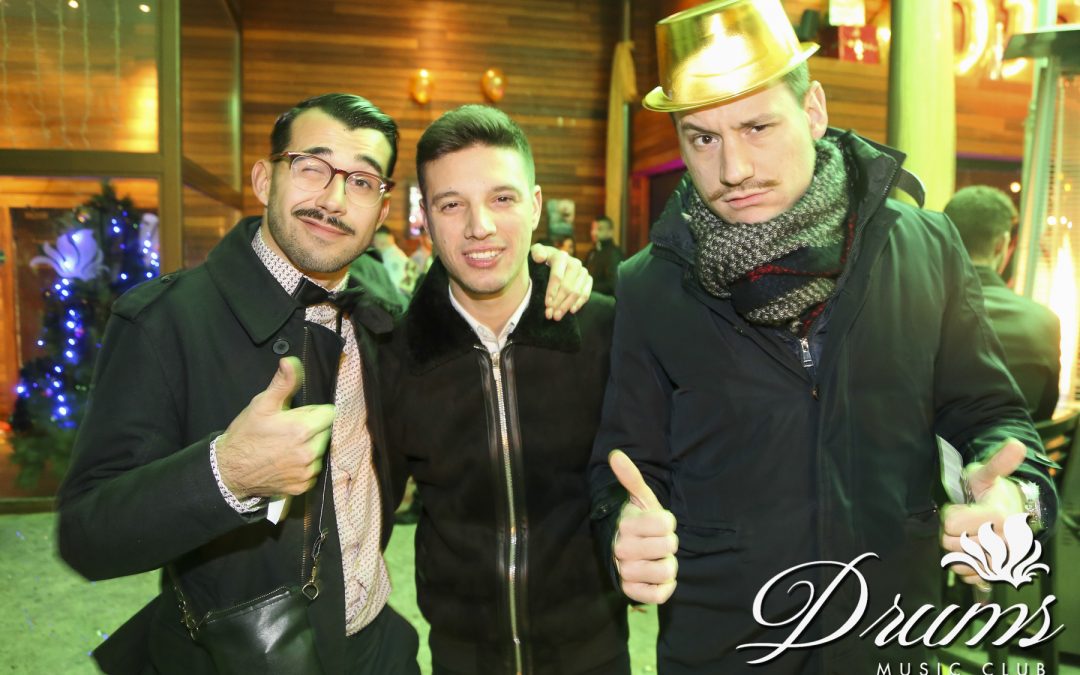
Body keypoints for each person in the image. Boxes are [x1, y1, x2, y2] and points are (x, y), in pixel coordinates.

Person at [587, 2, 1058, 674]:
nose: (734, 168)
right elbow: (625, 465)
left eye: (757, 127)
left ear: (813, 110)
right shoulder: (649, 287)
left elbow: (992, 415)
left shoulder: (923, 248)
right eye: (703, 139)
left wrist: (1012, 494)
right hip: (728, 648)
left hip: (891, 635)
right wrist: (620, 529)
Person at [56, 92, 592, 675]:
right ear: (265, 179)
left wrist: (542, 267)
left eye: (361, 181)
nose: (334, 200)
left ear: (381, 211)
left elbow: (473, 276)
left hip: (378, 649)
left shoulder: (382, 311)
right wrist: (226, 473)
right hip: (245, 659)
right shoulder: (166, 322)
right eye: (312, 167)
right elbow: (86, 537)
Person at [379, 105, 626, 675]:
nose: (479, 226)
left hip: (594, 652)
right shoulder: (398, 356)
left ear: (535, 205)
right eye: (451, 204)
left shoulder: (606, 332)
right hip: (462, 657)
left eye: (502, 198)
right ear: (426, 218)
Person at [945, 185, 1062, 421]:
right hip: (1020, 444)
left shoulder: (915, 310)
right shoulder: (1044, 320)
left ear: (944, 238)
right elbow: (1045, 412)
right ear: (1001, 243)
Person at [373, 224, 417, 297]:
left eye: (372, 240)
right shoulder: (399, 255)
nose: (372, 244)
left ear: (378, 239)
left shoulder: (391, 260)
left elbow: (393, 292)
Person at [584, 216, 623, 296]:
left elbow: (612, 284)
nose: (594, 233)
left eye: (599, 229)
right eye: (593, 229)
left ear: (610, 232)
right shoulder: (593, 251)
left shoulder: (613, 253)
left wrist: (587, 287)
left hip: (605, 299)